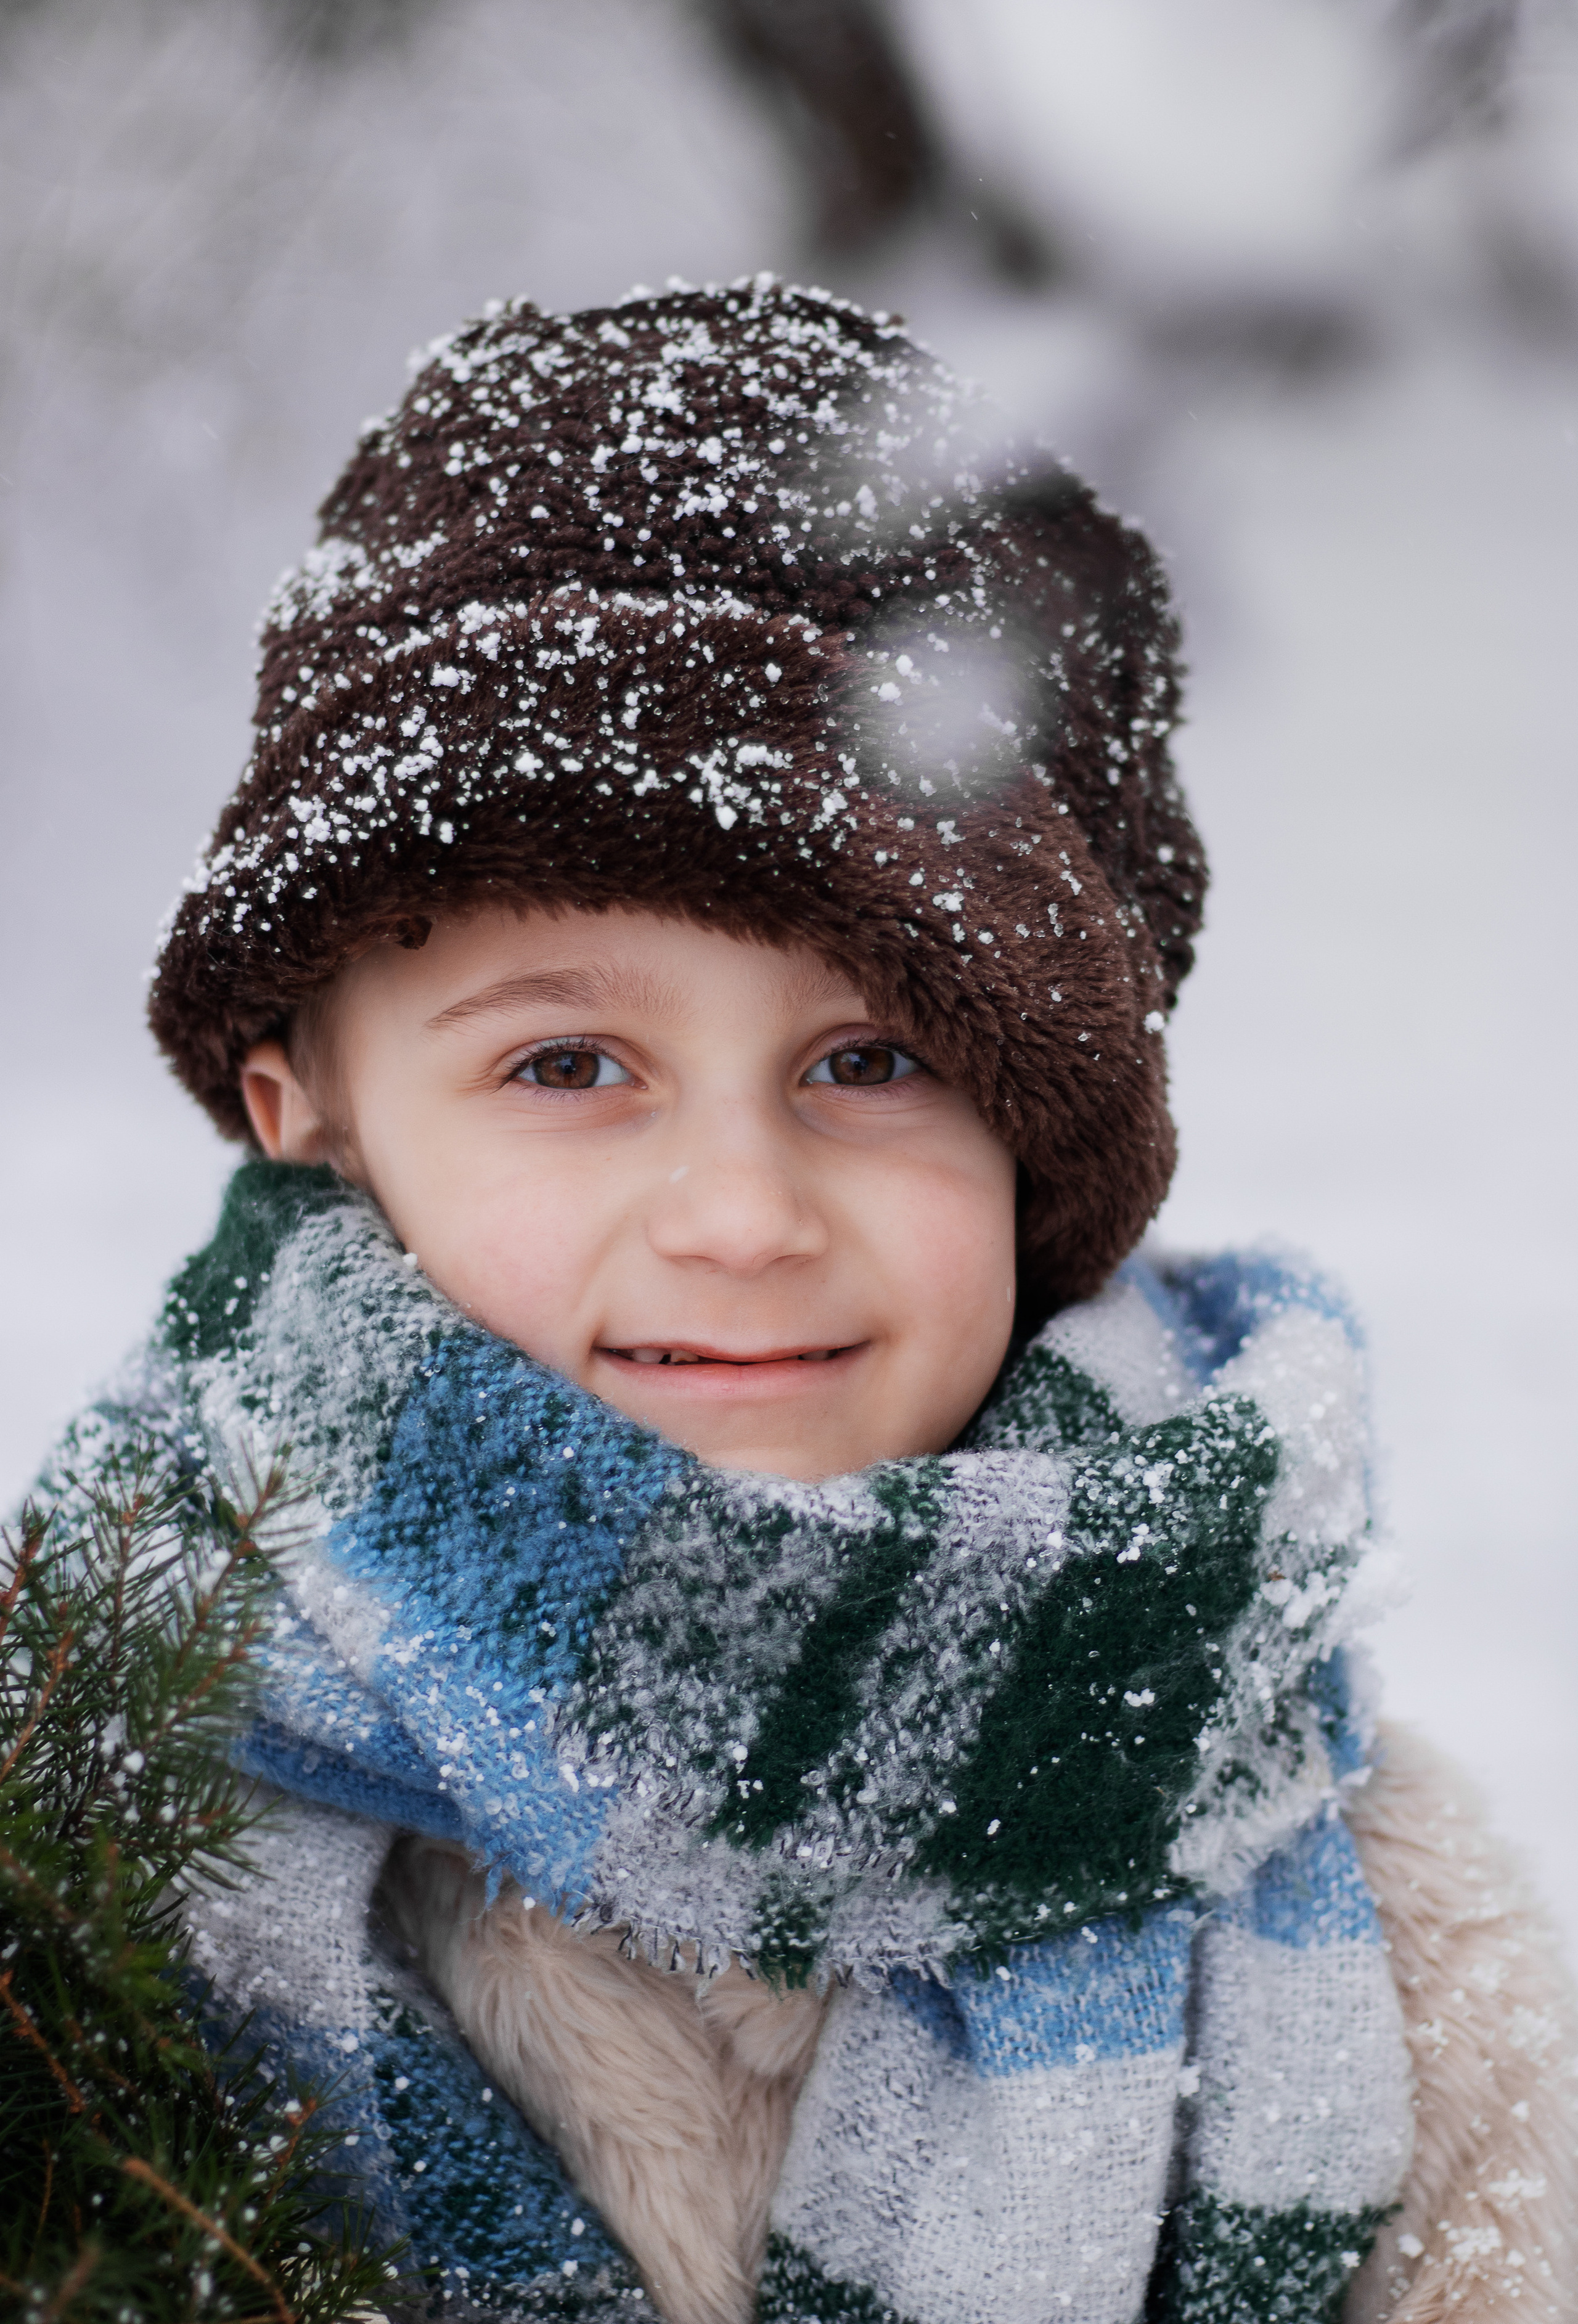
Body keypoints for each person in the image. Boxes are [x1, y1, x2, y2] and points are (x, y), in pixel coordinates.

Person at [41, 280, 1575, 2322]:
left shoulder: (1342, 1888)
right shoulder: (84, 1831)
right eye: (567, 1067)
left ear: (1043, 1133)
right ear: (309, 1116)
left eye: (873, 1061)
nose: (745, 1216)